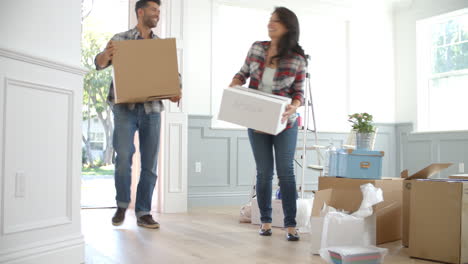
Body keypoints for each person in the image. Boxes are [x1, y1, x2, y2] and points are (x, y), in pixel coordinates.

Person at [94, 0, 181, 229]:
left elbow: (174, 77)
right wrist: (106, 53)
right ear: (140, 12)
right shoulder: (120, 40)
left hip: (151, 111)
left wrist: (175, 91)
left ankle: (143, 212)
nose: (157, 14)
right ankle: (122, 204)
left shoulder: (161, 47)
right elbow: (100, 63)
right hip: (125, 110)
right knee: (123, 158)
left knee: (150, 164)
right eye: (154, 10)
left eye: (159, 11)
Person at [229, 7, 306, 241]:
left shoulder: (297, 59)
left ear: (288, 27)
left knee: (286, 172)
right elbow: (242, 73)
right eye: (270, 20)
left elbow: (299, 93)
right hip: (256, 118)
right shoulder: (257, 48)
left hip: (285, 122)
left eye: (276, 22)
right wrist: (234, 85)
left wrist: (294, 105)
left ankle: (291, 225)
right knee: (264, 173)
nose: (270, 24)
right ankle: (265, 222)